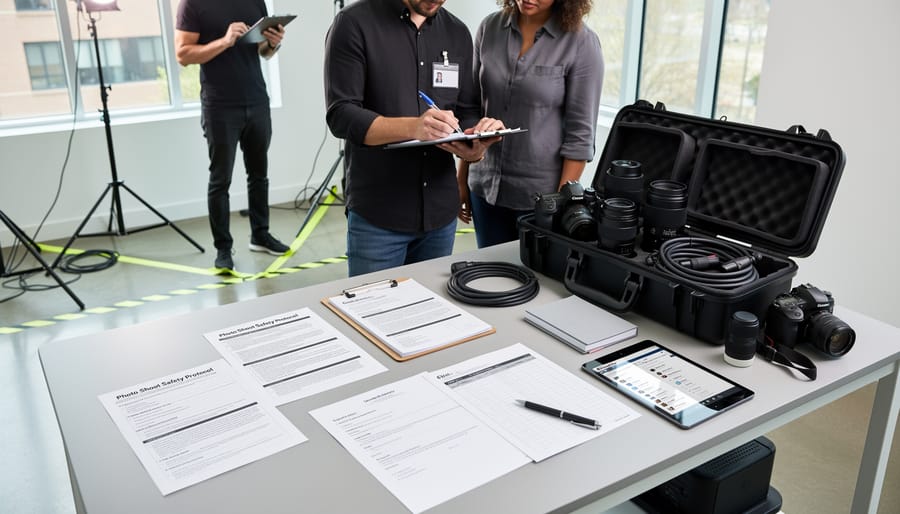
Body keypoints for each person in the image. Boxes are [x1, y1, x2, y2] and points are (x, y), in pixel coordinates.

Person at [324, 0, 504, 277]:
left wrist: (474, 144)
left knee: (429, 315)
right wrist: (414, 127)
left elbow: (466, 110)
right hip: (379, 216)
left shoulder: (457, 32)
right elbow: (342, 114)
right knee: (375, 315)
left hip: (440, 216)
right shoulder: (353, 23)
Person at [458, 0, 604, 248]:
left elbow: (580, 136)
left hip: (540, 200)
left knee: (533, 282)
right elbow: (471, 110)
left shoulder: (581, 43)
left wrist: (558, 206)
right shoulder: (489, 28)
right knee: (489, 278)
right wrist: (462, 178)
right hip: (484, 189)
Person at [174, 0, 291, 271]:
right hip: (219, 105)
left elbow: (262, 51)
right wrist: (224, 41)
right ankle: (223, 249)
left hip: (257, 99)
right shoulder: (192, 4)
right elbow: (183, 54)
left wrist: (272, 43)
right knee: (220, 180)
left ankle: (260, 235)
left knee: (259, 175)